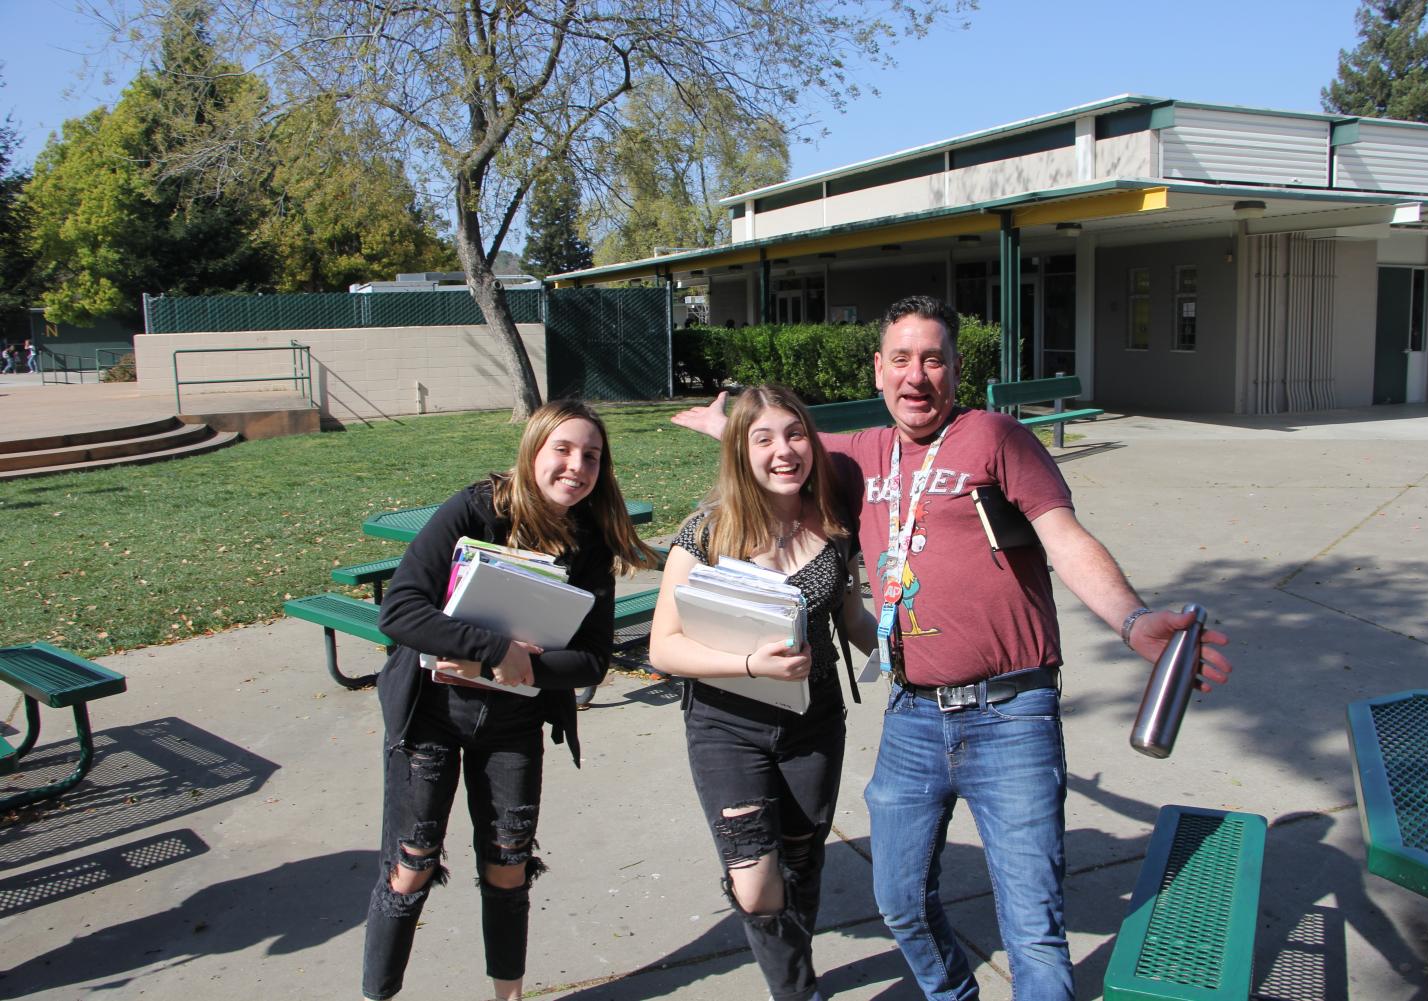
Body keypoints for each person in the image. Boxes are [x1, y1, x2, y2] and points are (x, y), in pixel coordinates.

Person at [673, 296, 1232, 1001]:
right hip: (911, 715)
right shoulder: (856, 457)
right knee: (900, 900)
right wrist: (725, 425)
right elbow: (777, 446)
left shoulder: (994, 436)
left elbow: (1062, 536)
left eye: (932, 359)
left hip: (1010, 712)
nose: (916, 376)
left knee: (1031, 924)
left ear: (956, 369)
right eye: (901, 359)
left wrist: (1131, 620)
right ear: (877, 371)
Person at [362, 399, 657, 1001]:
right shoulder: (476, 509)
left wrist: (515, 664)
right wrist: (492, 647)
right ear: (533, 451)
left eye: (592, 456)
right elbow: (400, 610)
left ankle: (509, 996)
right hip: (432, 717)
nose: (577, 466)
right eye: (564, 450)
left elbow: (593, 657)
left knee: (508, 863)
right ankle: (379, 993)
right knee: (412, 863)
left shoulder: (590, 541)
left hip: (513, 722)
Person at [650, 384, 876, 1001]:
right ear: (739, 450)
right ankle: (796, 992)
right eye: (764, 438)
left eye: (795, 433)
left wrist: (913, 648)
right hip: (725, 727)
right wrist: (750, 663)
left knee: (801, 858)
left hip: (814, 725)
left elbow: (854, 622)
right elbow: (663, 647)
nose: (785, 451)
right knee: (754, 882)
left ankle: (793, 977)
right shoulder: (706, 535)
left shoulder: (832, 528)